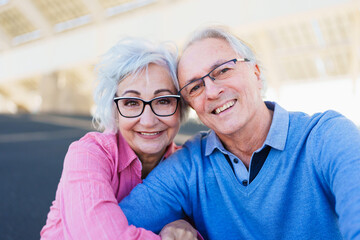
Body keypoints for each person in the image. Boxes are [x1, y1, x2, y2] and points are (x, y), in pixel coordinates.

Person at [119, 26, 360, 239]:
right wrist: (166, 228)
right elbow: (110, 227)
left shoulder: (325, 136)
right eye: (195, 87)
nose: (211, 92)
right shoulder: (189, 167)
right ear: (192, 106)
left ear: (256, 73)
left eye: (223, 70)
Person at [40, 37, 199, 240]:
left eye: (163, 101)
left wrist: (182, 226)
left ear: (181, 108)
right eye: (131, 103)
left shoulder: (186, 165)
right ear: (114, 111)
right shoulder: (88, 154)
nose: (148, 121)